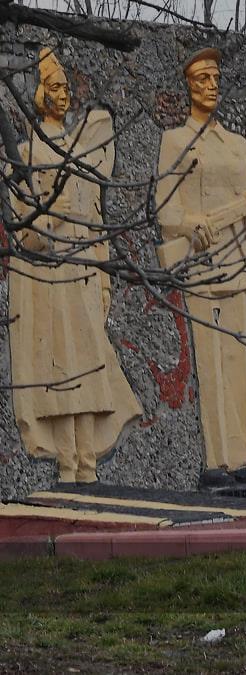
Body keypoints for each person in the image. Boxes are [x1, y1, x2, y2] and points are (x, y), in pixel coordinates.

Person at [8, 48, 142, 485]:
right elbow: (21, 232)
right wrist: (50, 219)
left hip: (83, 272)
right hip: (48, 278)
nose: (63, 95)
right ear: (41, 94)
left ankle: (88, 461)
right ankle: (67, 462)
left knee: (91, 367)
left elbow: (96, 222)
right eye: (55, 87)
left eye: (66, 87)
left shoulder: (83, 154)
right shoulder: (26, 154)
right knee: (58, 370)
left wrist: (102, 279)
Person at [155, 47, 246, 488]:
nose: (210, 87)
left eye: (214, 79)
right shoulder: (175, 141)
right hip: (200, 269)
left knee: (237, 362)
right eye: (202, 80)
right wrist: (192, 225)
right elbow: (165, 210)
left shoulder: (238, 146)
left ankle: (243, 455)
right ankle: (216, 460)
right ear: (188, 87)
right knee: (209, 365)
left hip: (235, 266)